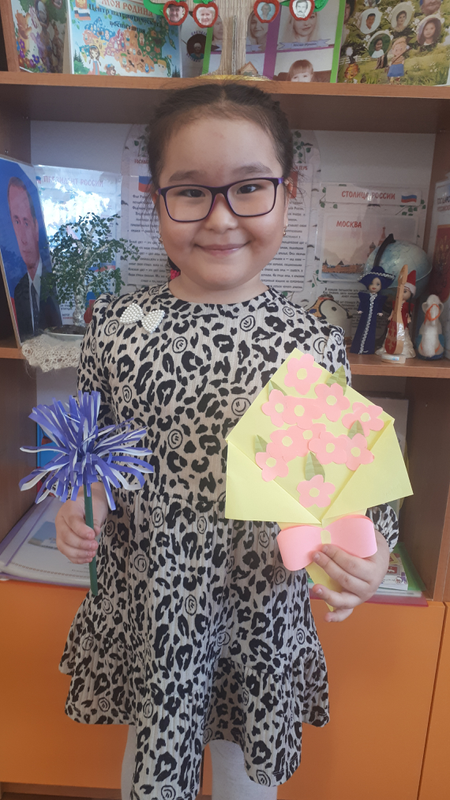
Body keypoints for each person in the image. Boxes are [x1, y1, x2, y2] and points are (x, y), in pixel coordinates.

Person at [55, 83, 396, 800]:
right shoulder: (115, 329)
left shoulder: (310, 341)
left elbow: (347, 486)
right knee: (152, 758)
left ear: (287, 194)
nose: (220, 217)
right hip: (155, 605)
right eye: (190, 192)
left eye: (248, 188)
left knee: (247, 775)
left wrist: (370, 557)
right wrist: (80, 508)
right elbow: (93, 454)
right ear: (155, 199)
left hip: (259, 612)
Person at [7, 176, 61, 341]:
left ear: (36, 227)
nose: (23, 238)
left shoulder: (54, 283)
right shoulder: (19, 290)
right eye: (16, 222)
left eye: (26, 222)